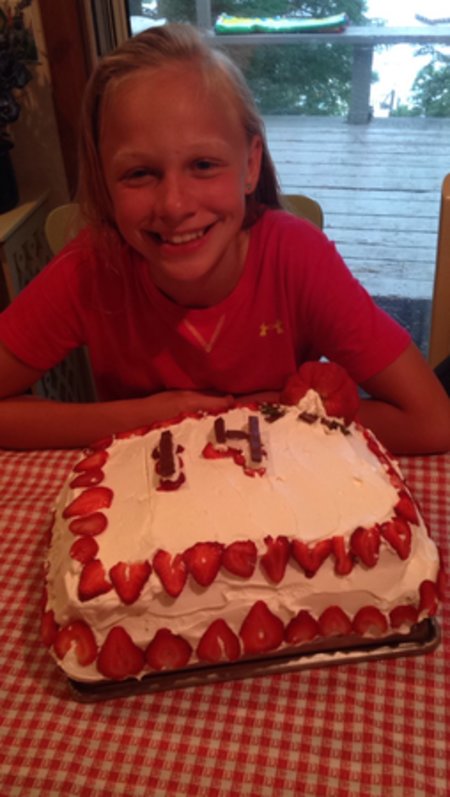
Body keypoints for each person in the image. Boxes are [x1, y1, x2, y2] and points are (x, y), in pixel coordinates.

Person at [0, 24, 448, 454]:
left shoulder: (298, 260)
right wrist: (145, 416)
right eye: (139, 173)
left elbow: (432, 421)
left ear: (250, 166)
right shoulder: (91, 269)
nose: (174, 205)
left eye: (203, 165)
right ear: (103, 180)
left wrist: (275, 411)